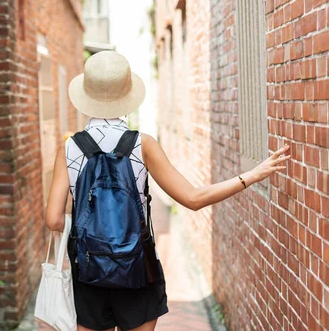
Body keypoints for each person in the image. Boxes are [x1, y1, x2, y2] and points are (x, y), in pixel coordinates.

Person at [45, 51, 290, 331]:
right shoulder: (142, 144)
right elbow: (194, 199)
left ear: (87, 97)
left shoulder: (69, 148)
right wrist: (252, 175)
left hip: (87, 272)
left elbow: (53, 220)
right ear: (127, 96)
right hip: (138, 267)